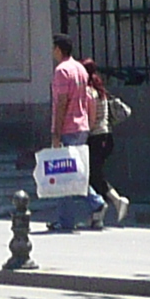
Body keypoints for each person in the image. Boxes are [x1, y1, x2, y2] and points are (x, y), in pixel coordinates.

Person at [43, 35, 95, 233]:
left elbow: (61, 103)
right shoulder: (80, 69)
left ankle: (69, 218)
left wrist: (56, 133)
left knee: (64, 175)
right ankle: (95, 203)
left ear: (58, 49)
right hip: (81, 126)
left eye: (53, 48)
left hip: (68, 127)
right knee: (75, 173)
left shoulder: (62, 71)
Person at [88, 67, 134, 230]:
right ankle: (97, 215)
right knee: (94, 175)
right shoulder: (102, 93)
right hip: (107, 137)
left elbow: (91, 120)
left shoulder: (90, 93)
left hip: (96, 138)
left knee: (93, 176)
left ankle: (115, 200)